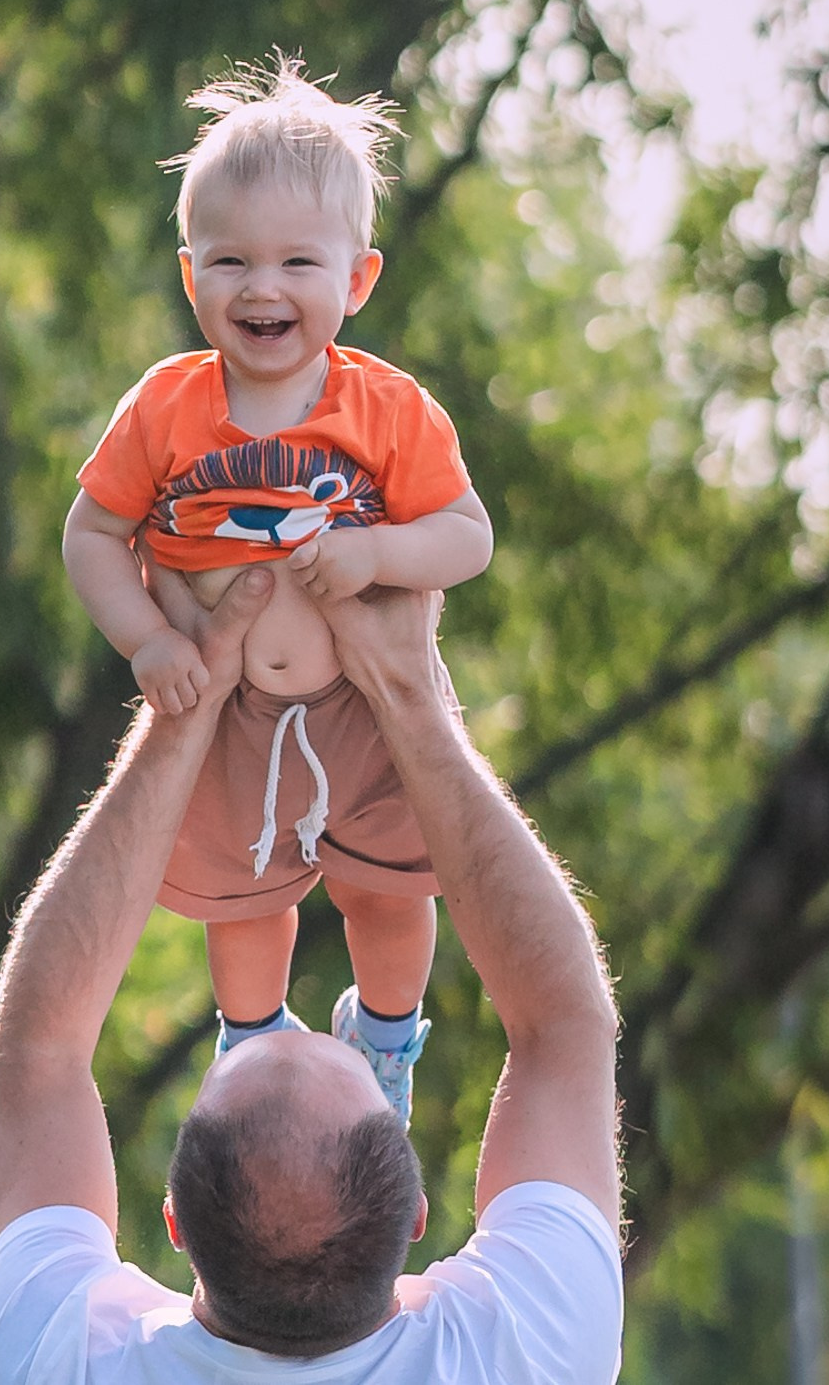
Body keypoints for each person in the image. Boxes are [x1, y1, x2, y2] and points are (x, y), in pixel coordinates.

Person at [0, 575, 622, 1382]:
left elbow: (37, 1048)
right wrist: (402, 696)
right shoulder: (56, 1364)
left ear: (176, 1223)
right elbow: (564, 1021)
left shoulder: (523, 1358)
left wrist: (195, 699)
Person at [62, 55, 495, 1119]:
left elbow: (467, 537)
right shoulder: (165, 408)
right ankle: (252, 1043)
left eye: (299, 261)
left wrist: (379, 555)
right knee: (244, 903)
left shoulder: (387, 409)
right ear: (190, 276)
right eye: (231, 261)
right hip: (228, 711)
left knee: (391, 890)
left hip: (367, 704)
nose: (262, 287)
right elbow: (92, 534)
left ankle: (384, 1039)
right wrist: (146, 641)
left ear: (357, 280)